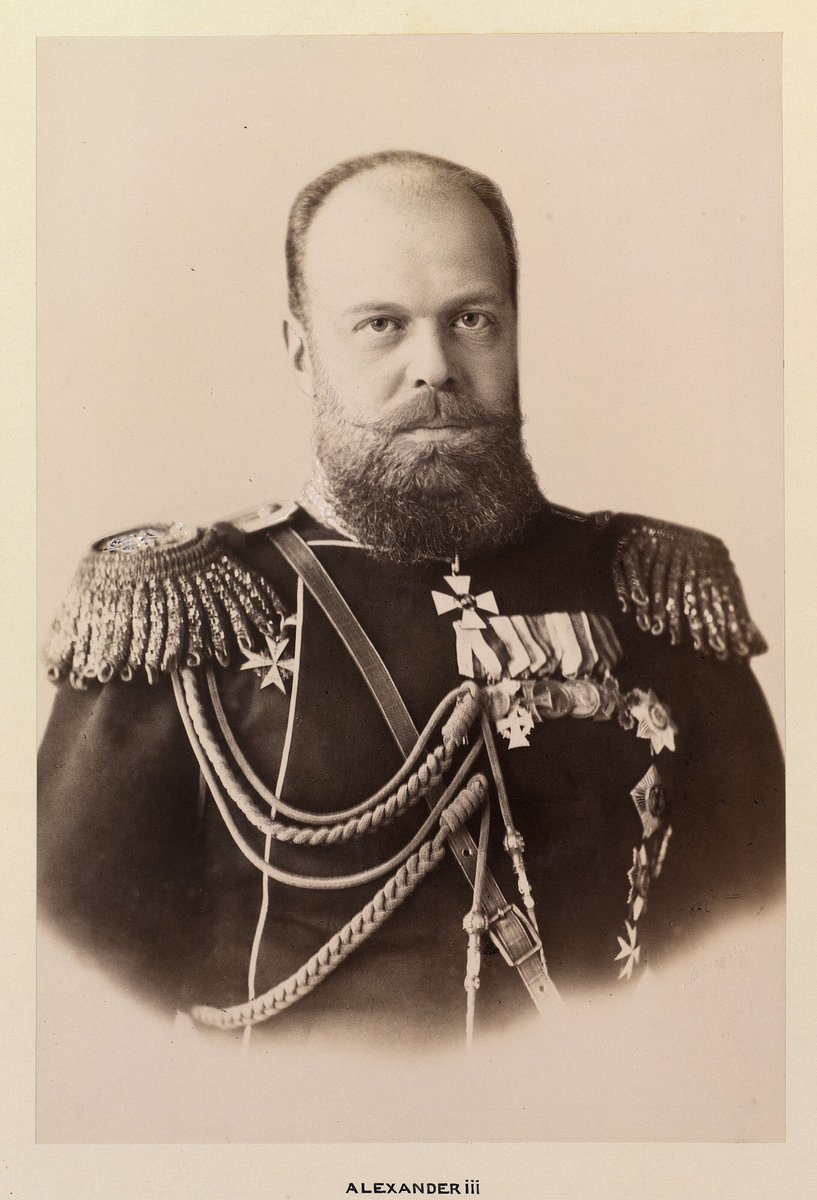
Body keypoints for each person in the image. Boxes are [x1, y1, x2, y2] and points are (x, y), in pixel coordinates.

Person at [38, 150, 784, 1047]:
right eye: (380, 325)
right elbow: (79, 1013)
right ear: (301, 349)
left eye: (471, 319)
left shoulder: (652, 594)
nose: (435, 365)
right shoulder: (187, 614)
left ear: (514, 330)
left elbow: (751, 964)